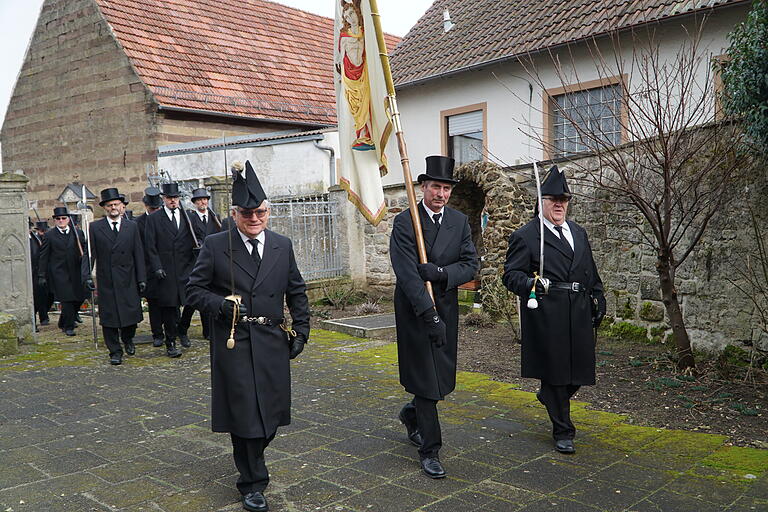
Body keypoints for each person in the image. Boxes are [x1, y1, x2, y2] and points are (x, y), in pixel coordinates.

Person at [187, 161, 310, 512]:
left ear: (268, 211)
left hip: (272, 339)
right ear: (235, 213)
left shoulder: (281, 245)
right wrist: (220, 306)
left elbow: (297, 291)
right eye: (247, 213)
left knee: (270, 414)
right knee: (244, 413)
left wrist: (301, 330)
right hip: (234, 341)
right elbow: (193, 291)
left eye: (260, 212)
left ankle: (253, 458)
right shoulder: (215, 245)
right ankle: (252, 482)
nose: (254, 219)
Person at [503, 166, 606, 454]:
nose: (560, 204)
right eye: (553, 199)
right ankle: (563, 430)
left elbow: (589, 269)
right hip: (548, 312)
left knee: (579, 371)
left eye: (564, 200)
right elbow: (510, 276)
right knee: (557, 372)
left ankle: (549, 395)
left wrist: (599, 296)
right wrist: (534, 284)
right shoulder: (526, 235)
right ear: (542, 201)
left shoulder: (578, 232)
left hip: (579, 310)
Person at [389, 155, 479, 479]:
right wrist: (428, 314)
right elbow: (407, 274)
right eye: (435, 187)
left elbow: (470, 265)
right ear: (423, 187)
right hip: (416, 311)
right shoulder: (405, 222)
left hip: (448, 308)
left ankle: (410, 414)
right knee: (427, 381)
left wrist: (440, 272)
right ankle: (431, 450)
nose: (441, 194)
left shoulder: (459, 222)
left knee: (441, 380)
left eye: (446, 188)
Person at [83, 188, 147, 365]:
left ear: (122, 206)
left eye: (116, 204)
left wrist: (142, 278)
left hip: (128, 278)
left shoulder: (132, 227)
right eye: (110, 205)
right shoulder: (95, 228)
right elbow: (89, 255)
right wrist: (86, 276)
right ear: (104, 208)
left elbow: (138, 254)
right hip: (107, 279)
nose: (113, 207)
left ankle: (128, 339)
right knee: (109, 318)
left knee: (131, 315)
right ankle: (114, 351)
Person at [144, 182, 196, 358]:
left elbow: (195, 241)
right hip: (165, 271)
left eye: (175, 198)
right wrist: (157, 267)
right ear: (163, 199)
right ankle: (171, 342)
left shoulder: (188, 217)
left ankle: (183, 331)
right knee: (169, 308)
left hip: (186, 269)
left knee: (190, 303)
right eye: (169, 198)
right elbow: (150, 246)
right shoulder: (154, 219)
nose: (173, 201)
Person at [178, 187, 221, 343]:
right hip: (195, 262)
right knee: (193, 298)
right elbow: (186, 239)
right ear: (195, 203)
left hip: (213, 261)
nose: (202, 202)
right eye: (199, 200)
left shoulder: (215, 217)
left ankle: (208, 331)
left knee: (209, 295)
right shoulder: (190, 219)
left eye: (205, 199)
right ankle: (182, 328)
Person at [38, 207, 87, 336]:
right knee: (67, 299)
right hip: (59, 272)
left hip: (76, 271)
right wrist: (41, 274)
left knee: (79, 298)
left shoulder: (78, 233)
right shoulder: (49, 235)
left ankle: (63, 321)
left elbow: (85, 251)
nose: (61, 220)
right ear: (54, 220)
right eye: (58, 219)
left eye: (63, 218)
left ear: (68, 220)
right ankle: (68, 327)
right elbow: (44, 256)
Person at [135, 187, 165, 347]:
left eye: (157, 208)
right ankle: (157, 334)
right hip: (148, 269)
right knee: (154, 304)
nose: (155, 211)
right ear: (146, 206)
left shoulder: (164, 219)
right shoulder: (138, 224)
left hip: (165, 268)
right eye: (152, 208)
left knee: (169, 303)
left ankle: (172, 330)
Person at [30, 220, 51, 327]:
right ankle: (35, 319)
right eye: (41, 231)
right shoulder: (32, 239)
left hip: (43, 271)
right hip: (32, 271)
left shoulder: (39, 238)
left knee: (46, 295)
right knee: (36, 296)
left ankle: (44, 316)